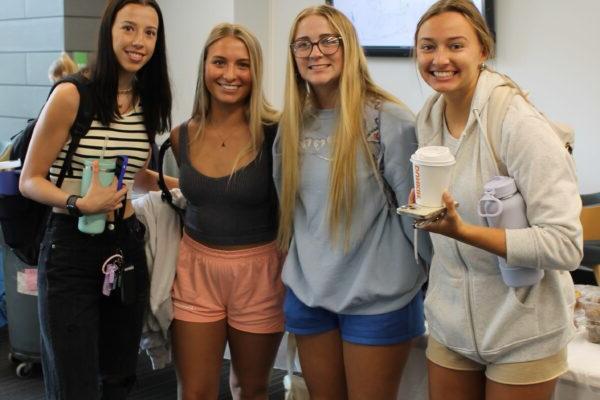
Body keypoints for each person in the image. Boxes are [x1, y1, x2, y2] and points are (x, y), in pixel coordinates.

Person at [412, 1, 583, 399]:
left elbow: (565, 244)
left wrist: (463, 231)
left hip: (523, 329)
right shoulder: (429, 117)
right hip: (450, 323)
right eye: (427, 47)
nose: (440, 59)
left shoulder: (518, 124)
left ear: (482, 50)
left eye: (455, 46)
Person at [19, 0, 172, 398]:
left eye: (150, 32)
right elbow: (30, 179)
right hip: (70, 246)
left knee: (120, 377)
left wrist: (186, 188)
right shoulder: (72, 94)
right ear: (109, 32)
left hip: (123, 244)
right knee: (74, 383)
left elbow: (133, 172)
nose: (139, 41)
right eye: (129, 28)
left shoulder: (147, 100)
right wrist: (79, 203)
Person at [274, 5, 428, 399]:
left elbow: (417, 217)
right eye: (303, 44)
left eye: (329, 40)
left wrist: (416, 279)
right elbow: (289, 212)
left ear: (349, 47)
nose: (316, 52)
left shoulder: (388, 120)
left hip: (378, 299)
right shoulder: (292, 125)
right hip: (310, 296)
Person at [169, 23, 282, 400]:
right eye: (219, 62)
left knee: (250, 388)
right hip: (195, 270)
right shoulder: (181, 135)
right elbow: (198, 190)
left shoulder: (276, 132)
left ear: (256, 72)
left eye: (242, 64)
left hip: (259, 272)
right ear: (204, 67)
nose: (230, 75)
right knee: (195, 391)